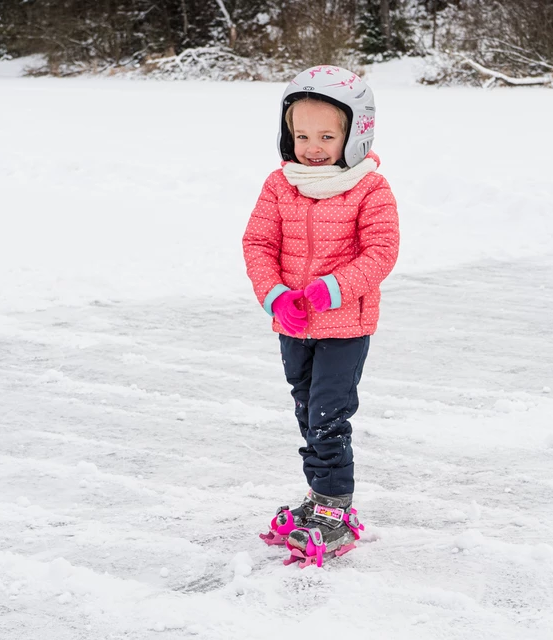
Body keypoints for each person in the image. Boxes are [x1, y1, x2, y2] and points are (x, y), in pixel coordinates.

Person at [242, 65, 400, 561]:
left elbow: (381, 251)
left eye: (327, 135)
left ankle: (336, 505)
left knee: (330, 414)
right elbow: (258, 243)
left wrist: (332, 290)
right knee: (307, 410)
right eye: (302, 133)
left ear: (356, 134)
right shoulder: (280, 184)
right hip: (293, 323)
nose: (312, 145)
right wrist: (275, 295)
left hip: (345, 324)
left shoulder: (369, 187)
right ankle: (319, 494)